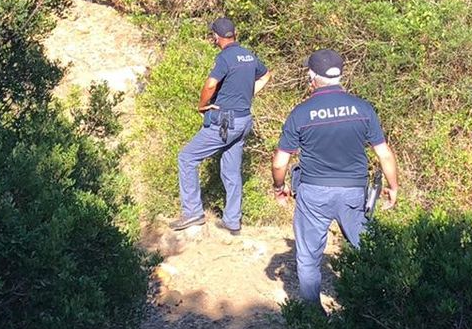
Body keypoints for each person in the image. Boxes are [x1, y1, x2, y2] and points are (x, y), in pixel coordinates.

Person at [270, 48, 398, 303]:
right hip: (353, 191)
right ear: (341, 75)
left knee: (308, 258)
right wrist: (393, 186)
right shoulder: (362, 108)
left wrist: (279, 187)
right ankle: (377, 309)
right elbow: (384, 154)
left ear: (311, 76)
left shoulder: (301, 112)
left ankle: (312, 319)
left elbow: (280, 162)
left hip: (313, 192)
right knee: (369, 250)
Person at [170, 17, 269, 233]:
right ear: (234, 34)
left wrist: (202, 105)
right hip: (244, 120)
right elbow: (265, 75)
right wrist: (248, 95)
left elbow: (210, 84)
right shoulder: (248, 55)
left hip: (226, 120)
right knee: (231, 168)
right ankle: (232, 220)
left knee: (187, 158)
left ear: (216, 36)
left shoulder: (225, 58)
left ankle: (193, 212)